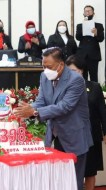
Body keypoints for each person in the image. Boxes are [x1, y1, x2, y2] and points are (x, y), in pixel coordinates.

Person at [13, 47, 93, 190]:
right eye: (43, 66)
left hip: (74, 136)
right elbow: (41, 100)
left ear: (61, 65)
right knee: (57, 182)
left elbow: (65, 106)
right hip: (54, 135)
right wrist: (27, 108)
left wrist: (35, 111)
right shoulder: (45, 76)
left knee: (73, 182)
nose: (45, 70)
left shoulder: (76, 80)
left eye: (48, 66)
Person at [66, 55, 106, 190]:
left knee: (90, 171)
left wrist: (105, 132)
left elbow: (103, 113)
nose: (72, 74)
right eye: (69, 71)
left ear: (82, 71)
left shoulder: (94, 87)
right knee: (70, 171)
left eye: (75, 70)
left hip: (91, 136)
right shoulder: (61, 88)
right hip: (69, 137)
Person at [75, 5, 104, 82]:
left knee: (94, 77)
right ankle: (82, 93)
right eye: (86, 11)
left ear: (93, 13)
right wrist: (84, 27)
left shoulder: (99, 26)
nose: (87, 12)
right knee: (82, 76)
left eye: (89, 11)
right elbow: (77, 37)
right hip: (82, 55)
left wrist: (96, 33)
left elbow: (101, 39)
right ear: (83, 13)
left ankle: (94, 93)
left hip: (94, 55)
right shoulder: (79, 25)